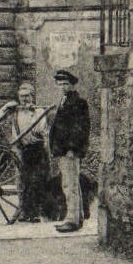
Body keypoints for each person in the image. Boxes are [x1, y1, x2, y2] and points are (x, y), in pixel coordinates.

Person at [50, 68, 90, 233]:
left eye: (66, 84)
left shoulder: (79, 103)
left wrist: (72, 149)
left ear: (72, 85)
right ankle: (77, 217)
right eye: (60, 84)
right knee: (71, 183)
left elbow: (80, 129)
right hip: (62, 150)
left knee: (70, 185)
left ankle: (72, 220)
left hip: (69, 151)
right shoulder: (64, 101)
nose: (63, 87)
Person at [6, 82, 51, 222]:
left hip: (37, 149)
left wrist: (32, 114)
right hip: (23, 150)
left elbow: (40, 130)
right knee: (24, 181)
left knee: (36, 181)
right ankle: (25, 212)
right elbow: (12, 131)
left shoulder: (38, 112)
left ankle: (36, 213)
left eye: (27, 96)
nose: (24, 99)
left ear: (32, 97)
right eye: (21, 96)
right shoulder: (15, 112)